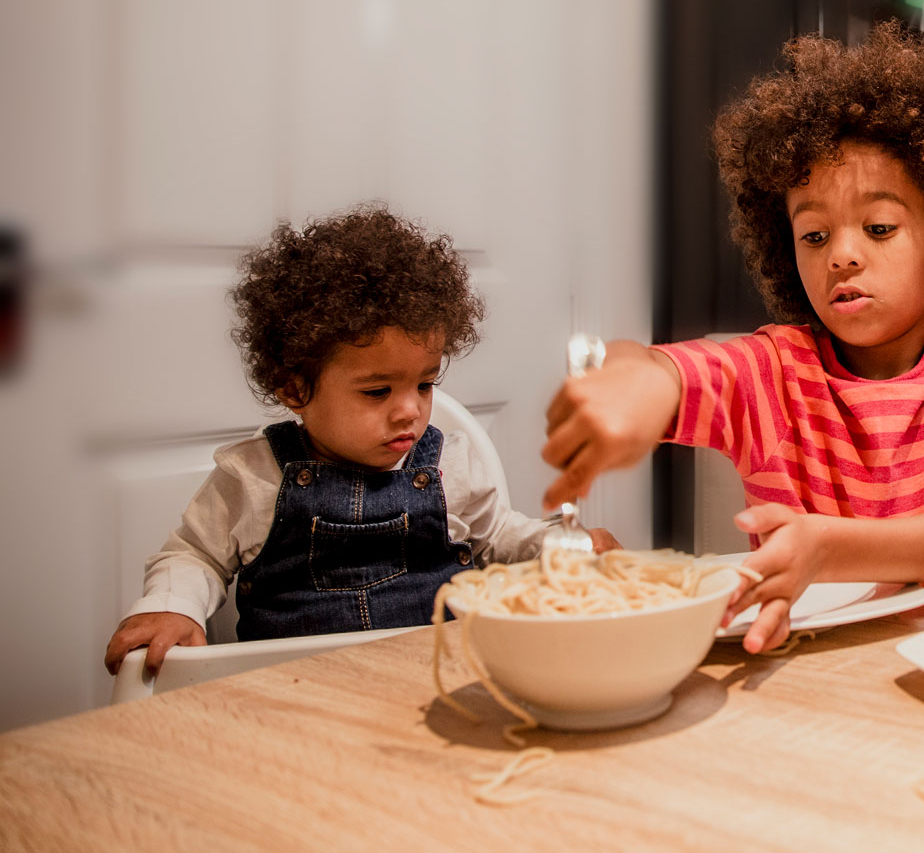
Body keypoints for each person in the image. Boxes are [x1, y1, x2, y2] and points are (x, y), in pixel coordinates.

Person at [539, 25, 924, 652]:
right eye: (815, 236)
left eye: (879, 228)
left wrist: (826, 547)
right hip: (804, 673)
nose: (843, 256)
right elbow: (664, 372)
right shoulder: (772, 369)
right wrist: (633, 379)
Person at [104, 206, 595, 675]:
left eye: (425, 384)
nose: (410, 409)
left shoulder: (450, 466)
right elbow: (194, 555)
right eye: (378, 391)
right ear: (295, 387)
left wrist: (561, 545)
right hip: (289, 691)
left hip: (438, 679)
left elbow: (498, 537)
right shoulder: (253, 477)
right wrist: (172, 608)